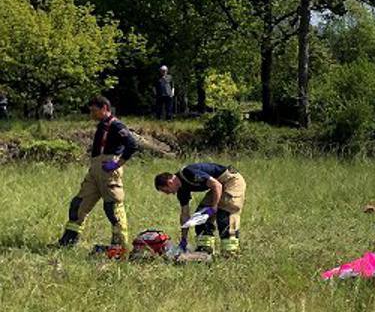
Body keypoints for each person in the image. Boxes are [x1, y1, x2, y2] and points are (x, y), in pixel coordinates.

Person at [57, 96, 138, 251]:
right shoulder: (102, 125)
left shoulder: (116, 125)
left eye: (94, 111)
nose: (91, 114)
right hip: (95, 170)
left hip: (108, 170)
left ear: (104, 108)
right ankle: (68, 242)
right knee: (78, 205)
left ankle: (120, 246)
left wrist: (117, 163)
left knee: (112, 207)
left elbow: (132, 144)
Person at [154, 163, 246, 255]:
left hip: (231, 180)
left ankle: (230, 253)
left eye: (166, 191)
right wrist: (184, 239)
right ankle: (205, 249)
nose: (168, 194)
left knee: (225, 214)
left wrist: (214, 207)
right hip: (218, 185)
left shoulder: (189, 173)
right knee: (201, 216)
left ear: (170, 182)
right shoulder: (182, 191)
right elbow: (185, 216)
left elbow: (216, 185)